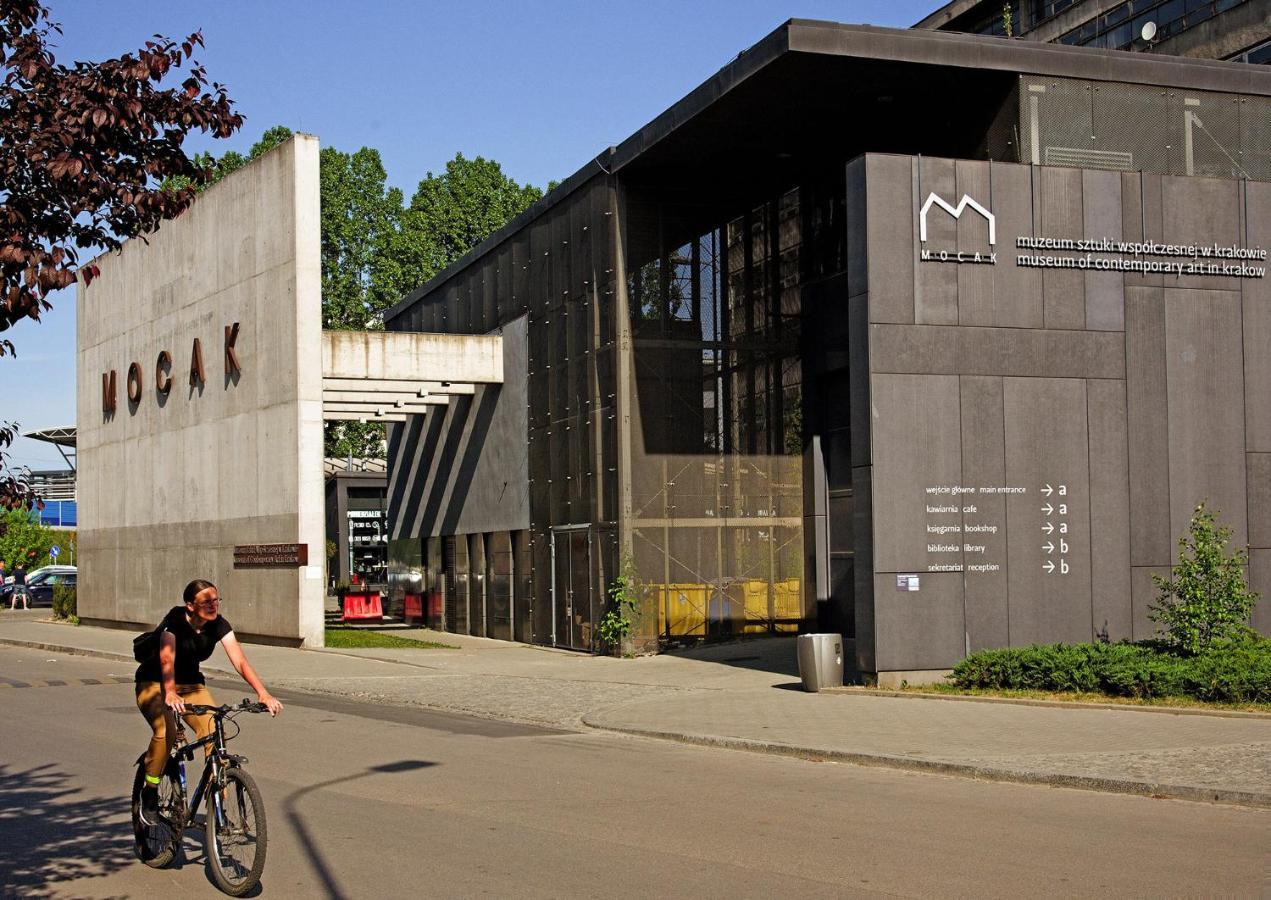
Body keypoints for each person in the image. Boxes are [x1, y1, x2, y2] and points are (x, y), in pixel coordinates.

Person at [135, 579, 283, 824]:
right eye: (207, 601)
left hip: (192, 685)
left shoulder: (219, 625)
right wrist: (169, 693)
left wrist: (262, 693)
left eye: (216, 600)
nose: (213, 605)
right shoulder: (175, 621)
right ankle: (149, 791)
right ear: (191, 606)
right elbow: (166, 660)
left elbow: (240, 661)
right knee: (165, 733)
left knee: (214, 730)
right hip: (155, 683)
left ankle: (217, 806)